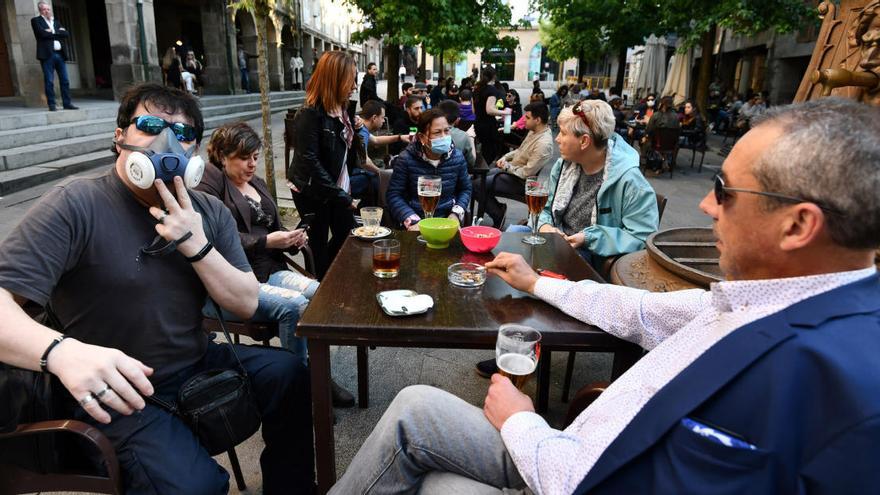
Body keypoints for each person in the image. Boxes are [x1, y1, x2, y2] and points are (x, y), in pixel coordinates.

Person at [330, 97, 880, 495]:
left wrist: (522, 419)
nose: (708, 208)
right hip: (566, 447)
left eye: (724, 191)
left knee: (425, 450)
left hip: (566, 465)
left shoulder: (831, 383)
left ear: (797, 225)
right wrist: (536, 282)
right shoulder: (764, 302)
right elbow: (638, 311)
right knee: (421, 425)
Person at [0, 83, 315, 493]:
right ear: (120, 138)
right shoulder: (74, 204)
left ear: (195, 153)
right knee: (197, 485)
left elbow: (244, 302)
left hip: (194, 361)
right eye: (149, 125)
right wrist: (62, 352)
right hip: (112, 388)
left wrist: (197, 245)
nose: (167, 140)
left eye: (183, 133)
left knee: (289, 373)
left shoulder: (209, 211)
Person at [196, 122, 355, 408]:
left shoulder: (257, 182)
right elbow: (214, 238)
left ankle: (319, 375)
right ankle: (302, 388)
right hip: (235, 281)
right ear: (222, 156)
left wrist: (292, 239)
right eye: (244, 157)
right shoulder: (212, 184)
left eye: (255, 157)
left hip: (270, 271)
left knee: (321, 293)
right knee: (293, 305)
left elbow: (275, 227)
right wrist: (267, 241)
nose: (252, 164)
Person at [287, 51, 360, 279]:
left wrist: (354, 131)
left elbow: (346, 152)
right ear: (335, 80)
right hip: (312, 190)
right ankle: (318, 293)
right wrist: (341, 196)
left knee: (347, 235)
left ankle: (328, 280)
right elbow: (310, 162)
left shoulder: (344, 109)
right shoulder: (309, 114)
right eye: (351, 80)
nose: (355, 86)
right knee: (317, 244)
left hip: (337, 186)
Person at [385, 108, 472, 229]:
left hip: (446, 220)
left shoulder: (457, 157)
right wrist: (411, 219)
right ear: (422, 137)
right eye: (437, 132)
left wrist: (456, 213)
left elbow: (465, 189)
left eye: (446, 131)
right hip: (416, 219)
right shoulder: (406, 159)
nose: (444, 137)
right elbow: (394, 195)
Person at [481, 101, 554, 228]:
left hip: (521, 182)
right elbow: (520, 151)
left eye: (527, 117)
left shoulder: (543, 144)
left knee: (477, 185)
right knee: (479, 177)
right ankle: (497, 208)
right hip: (511, 173)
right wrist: (505, 158)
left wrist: (506, 166)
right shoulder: (534, 131)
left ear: (537, 120)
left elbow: (526, 173)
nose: (523, 120)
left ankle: (498, 213)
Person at [31, 2, 78, 111]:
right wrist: (57, 32)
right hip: (47, 55)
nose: (47, 11)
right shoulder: (36, 21)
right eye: (45, 9)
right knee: (49, 81)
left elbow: (66, 34)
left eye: (48, 9)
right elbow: (41, 34)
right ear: (40, 10)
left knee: (65, 80)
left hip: (60, 55)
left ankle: (67, 103)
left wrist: (51, 31)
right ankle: (52, 105)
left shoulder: (55, 21)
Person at [473, 66, 512, 164]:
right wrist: (505, 112)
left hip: (478, 123)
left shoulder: (477, 89)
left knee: (485, 149)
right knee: (492, 150)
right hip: (488, 125)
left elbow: (474, 109)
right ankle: (482, 172)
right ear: (494, 76)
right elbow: (489, 110)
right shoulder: (491, 90)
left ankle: (480, 172)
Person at [438, 100, 475, 168]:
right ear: (457, 119)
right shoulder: (463, 136)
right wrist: (471, 137)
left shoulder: (425, 133)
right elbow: (471, 163)